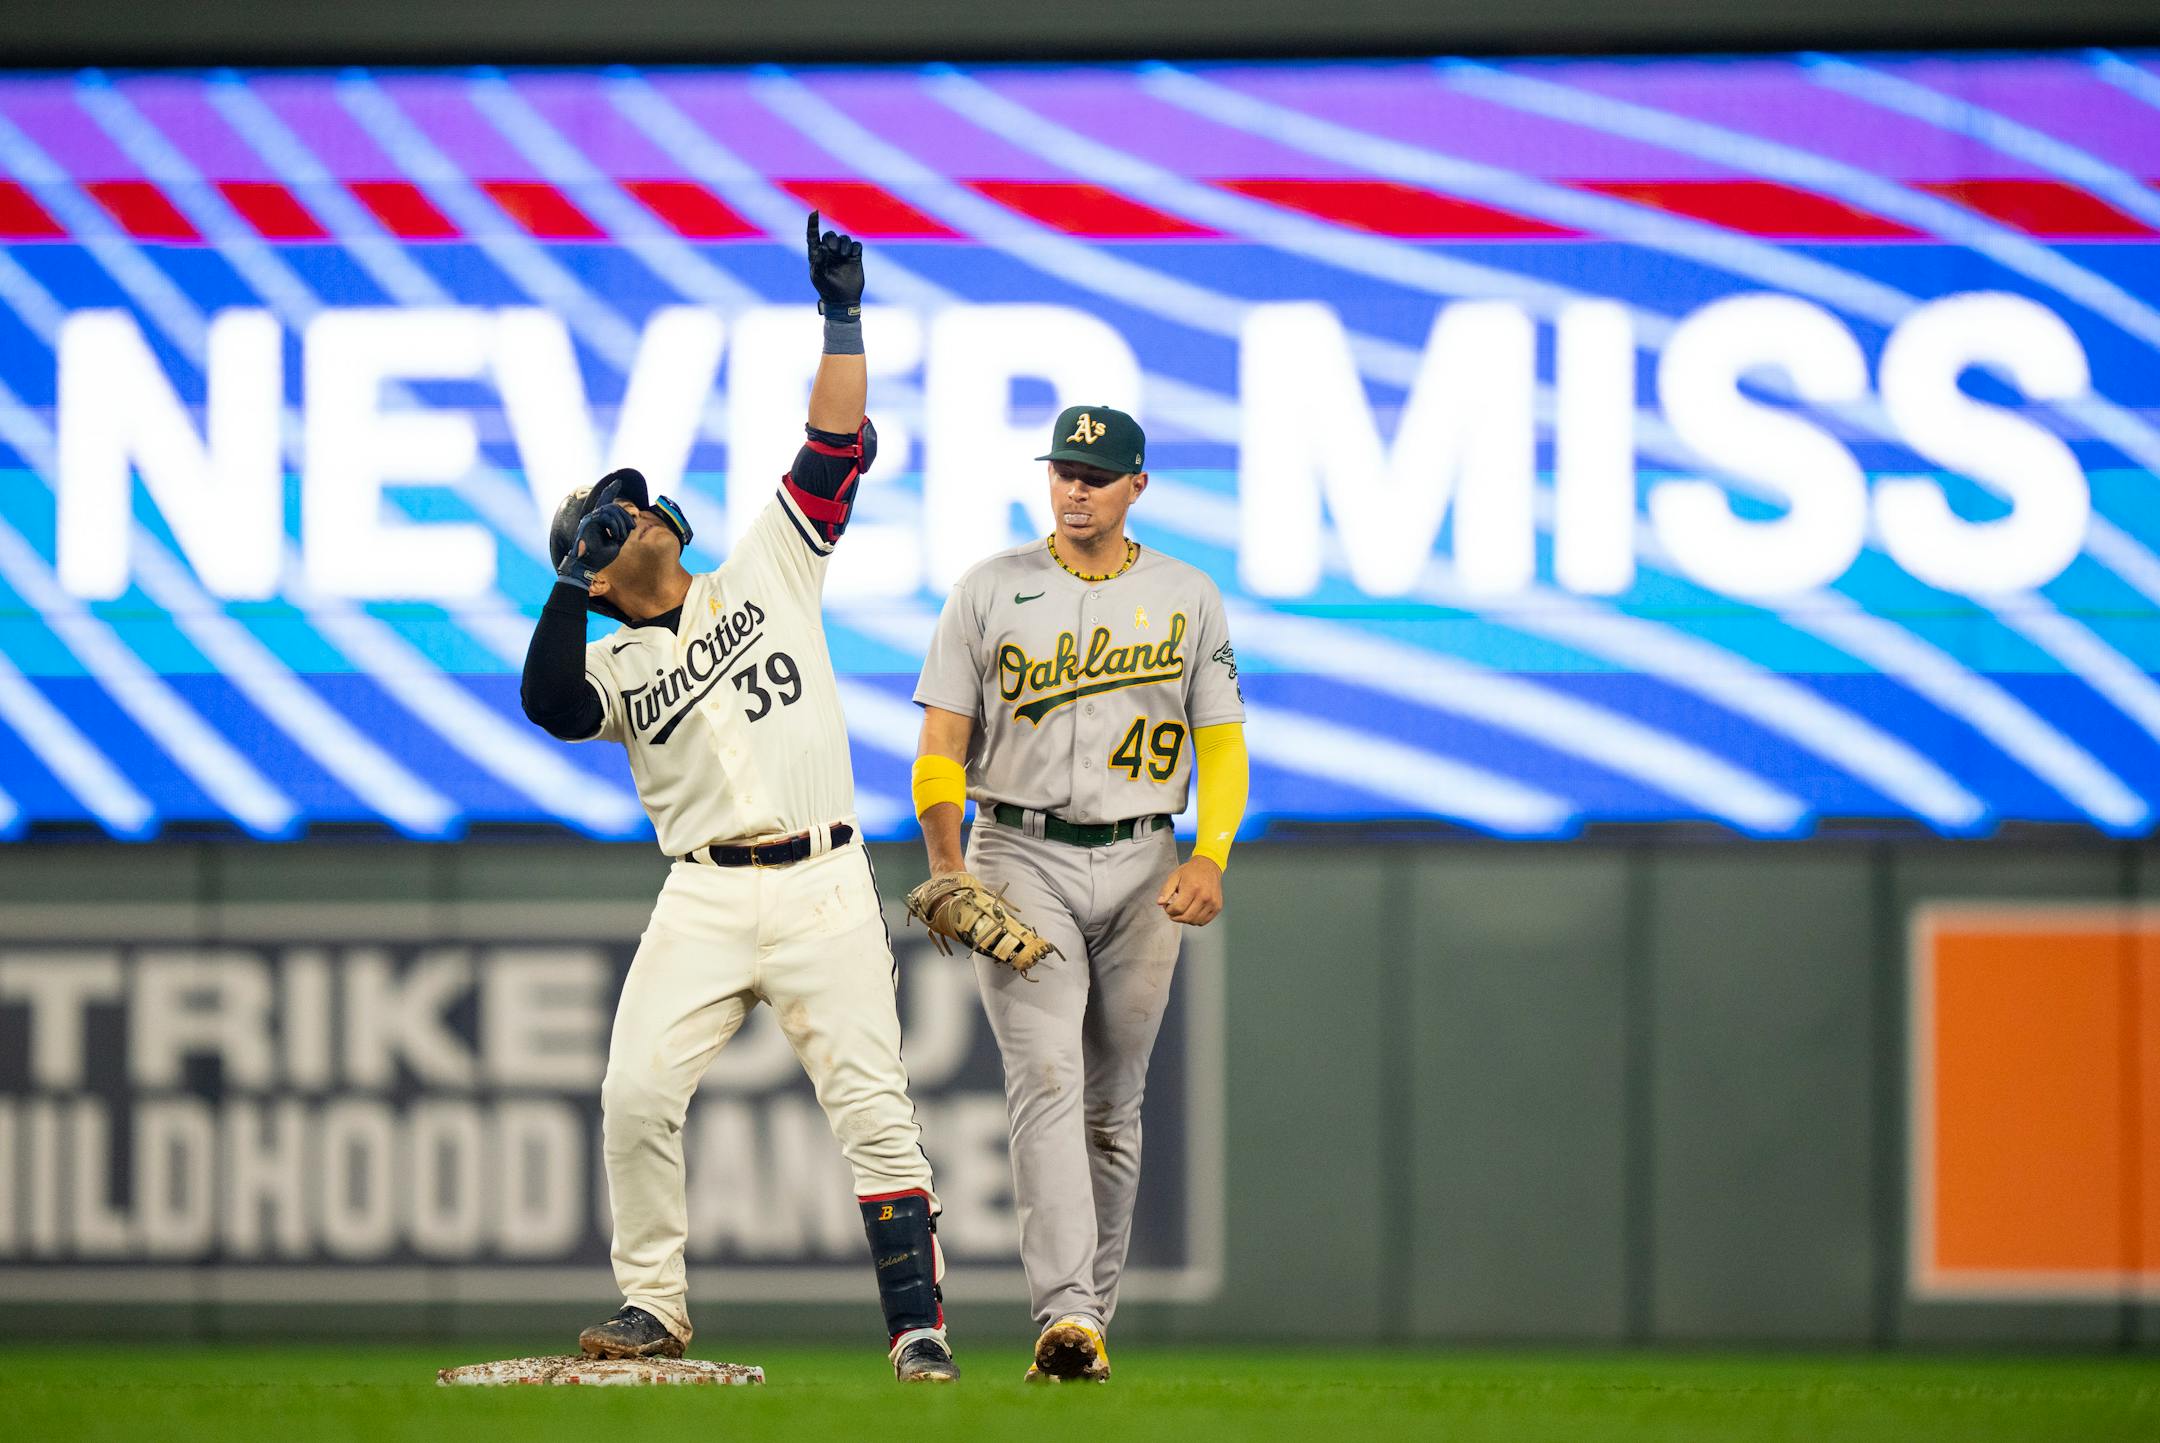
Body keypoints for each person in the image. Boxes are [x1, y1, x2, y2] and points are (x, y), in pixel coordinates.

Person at [518, 214, 958, 1384]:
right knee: (633, 1091)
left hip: (821, 879)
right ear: (600, 571)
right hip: (704, 896)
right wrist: (572, 576)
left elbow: (829, 444)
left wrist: (842, 316)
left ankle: (918, 1331)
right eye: (615, 517)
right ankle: (652, 1306)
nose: (642, 511)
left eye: (638, 502)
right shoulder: (607, 660)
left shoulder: (765, 564)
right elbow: (549, 705)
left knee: (875, 1111)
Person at [910, 405, 1250, 1381]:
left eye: (1096, 473)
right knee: (1046, 1078)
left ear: (1137, 484)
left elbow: (1222, 745)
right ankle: (1063, 1309)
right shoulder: (988, 591)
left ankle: (1085, 1324)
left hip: (1148, 858)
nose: (1075, 488)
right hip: (1019, 850)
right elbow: (940, 745)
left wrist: (1212, 853)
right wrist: (946, 863)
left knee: (1114, 1104)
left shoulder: (1187, 596)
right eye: (1064, 468)